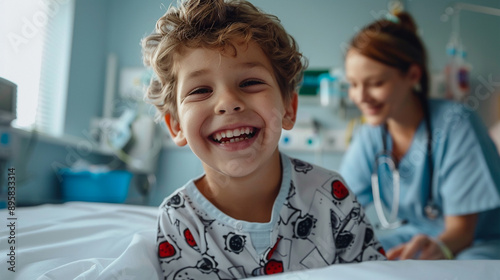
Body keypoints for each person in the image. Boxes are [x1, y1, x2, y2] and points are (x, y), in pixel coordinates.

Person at [141, 0, 385, 278]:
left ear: (289, 108)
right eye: (200, 90)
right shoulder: (179, 220)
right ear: (176, 127)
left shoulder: (331, 196)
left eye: (250, 83)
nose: (228, 102)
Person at [340, 11, 500, 260]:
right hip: (414, 234)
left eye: (376, 83)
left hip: (475, 242)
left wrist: (437, 251)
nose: (360, 97)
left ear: (413, 75)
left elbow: (461, 232)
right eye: (353, 84)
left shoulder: (456, 124)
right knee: (368, 254)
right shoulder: (370, 136)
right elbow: (339, 209)